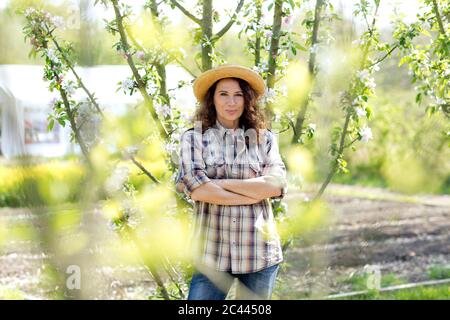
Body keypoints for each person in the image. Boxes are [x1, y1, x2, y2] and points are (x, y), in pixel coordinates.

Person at [175, 64, 287, 300]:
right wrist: (254, 193)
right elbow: (198, 191)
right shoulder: (193, 138)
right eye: (223, 94)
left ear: (247, 100)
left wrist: (220, 183)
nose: (231, 102)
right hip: (211, 255)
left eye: (238, 95)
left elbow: (276, 185)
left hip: (258, 253)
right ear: (212, 100)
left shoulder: (265, 139)